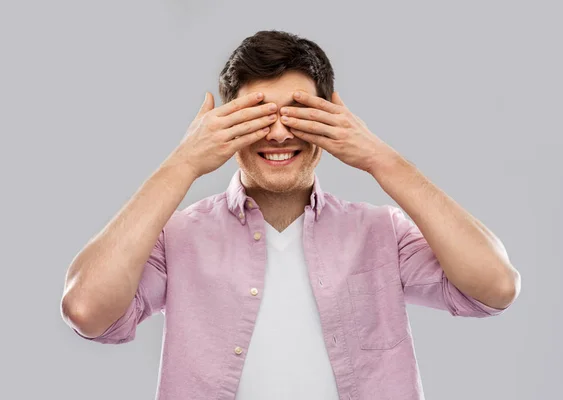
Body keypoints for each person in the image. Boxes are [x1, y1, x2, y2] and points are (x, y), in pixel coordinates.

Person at [60, 30, 521, 400]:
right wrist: (182, 163)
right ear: (224, 124)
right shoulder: (178, 237)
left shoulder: (382, 232)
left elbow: (495, 287)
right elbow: (86, 310)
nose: (279, 133)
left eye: (298, 114)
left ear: (333, 118)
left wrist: (381, 159)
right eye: (258, 115)